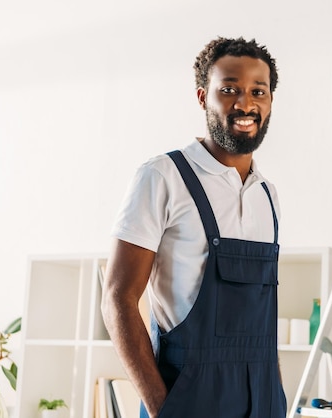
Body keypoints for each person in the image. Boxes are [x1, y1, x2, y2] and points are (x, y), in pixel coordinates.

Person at [101, 36, 286, 418]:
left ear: (269, 100)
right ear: (204, 97)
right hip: (189, 402)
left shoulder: (268, 196)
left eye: (258, 91)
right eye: (229, 89)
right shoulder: (163, 176)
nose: (245, 103)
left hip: (264, 402)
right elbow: (117, 299)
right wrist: (163, 408)